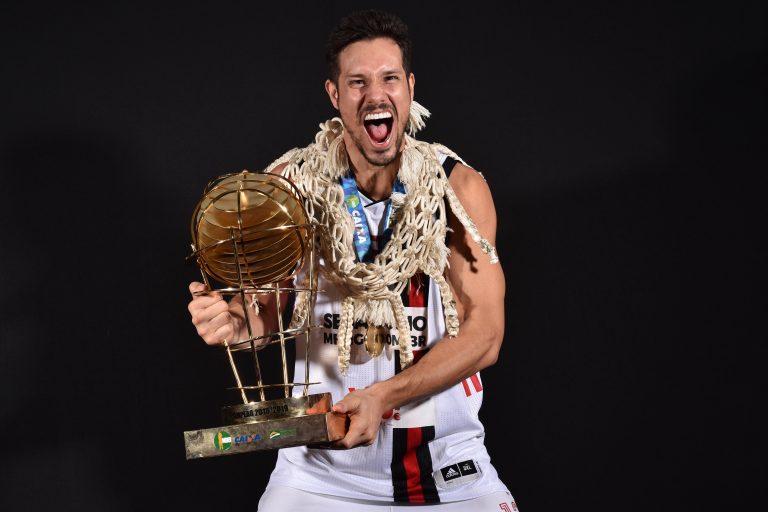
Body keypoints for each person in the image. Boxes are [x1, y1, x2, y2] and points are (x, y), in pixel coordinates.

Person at [188, 9, 518, 512]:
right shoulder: (292, 185)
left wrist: (384, 396)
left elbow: (486, 334)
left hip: (447, 471)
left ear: (410, 88)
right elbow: (266, 312)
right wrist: (234, 322)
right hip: (317, 475)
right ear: (334, 94)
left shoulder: (455, 189)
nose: (375, 95)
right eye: (357, 82)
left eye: (389, 78)